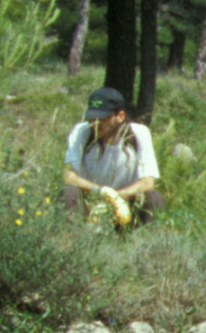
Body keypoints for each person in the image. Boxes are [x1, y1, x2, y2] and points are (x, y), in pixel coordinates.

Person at [62, 86, 166, 228]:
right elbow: (69, 176)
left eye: (102, 117)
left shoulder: (139, 134)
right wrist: (101, 191)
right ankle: (71, 241)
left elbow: (148, 182)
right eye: (92, 117)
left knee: (154, 197)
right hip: (90, 204)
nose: (95, 122)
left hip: (127, 206)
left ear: (120, 116)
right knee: (69, 192)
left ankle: (151, 246)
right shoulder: (82, 132)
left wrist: (116, 197)